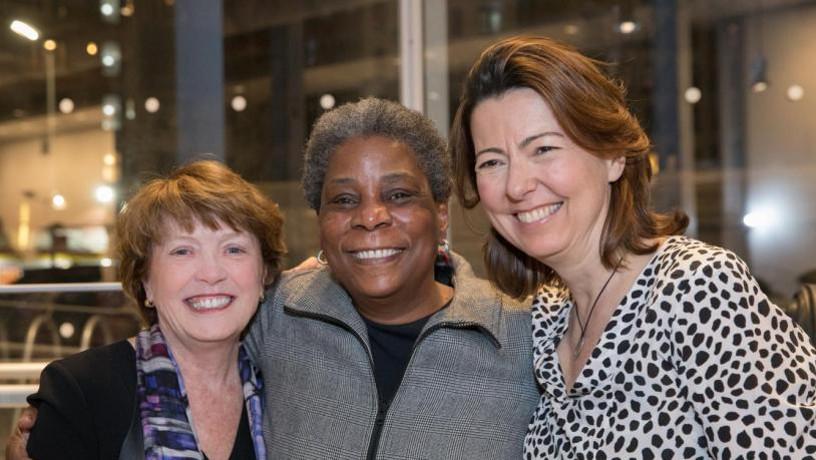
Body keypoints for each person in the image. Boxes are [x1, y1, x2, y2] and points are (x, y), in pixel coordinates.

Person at [450, 36, 816, 458]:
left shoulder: (695, 287)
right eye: (492, 162)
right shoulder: (547, 319)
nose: (517, 185)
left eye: (544, 149)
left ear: (613, 156)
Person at [244, 97, 540, 458]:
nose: (371, 217)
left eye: (398, 195)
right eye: (344, 200)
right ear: (320, 222)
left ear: (441, 214)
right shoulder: (275, 315)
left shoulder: (524, 340)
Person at [21, 160, 286, 459]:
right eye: (182, 251)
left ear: (264, 274)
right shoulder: (81, 390)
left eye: (233, 249)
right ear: (145, 279)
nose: (211, 274)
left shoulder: (287, 390)